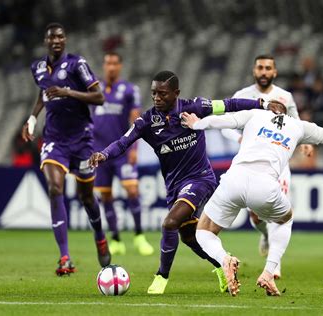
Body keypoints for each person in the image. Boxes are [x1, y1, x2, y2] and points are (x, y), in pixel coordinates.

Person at [89, 70, 280, 294]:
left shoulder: (195, 107)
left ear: (176, 93)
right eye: (154, 94)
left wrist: (261, 103)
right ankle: (223, 265)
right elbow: (123, 142)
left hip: (200, 179)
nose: (157, 98)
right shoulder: (147, 121)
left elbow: (229, 104)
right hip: (174, 187)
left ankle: (161, 276)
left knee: (169, 223)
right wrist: (103, 154)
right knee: (189, 236)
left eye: (162, 94)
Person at [181, 103, 323, 296]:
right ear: (286, 112)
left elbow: (223, 120)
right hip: (264, 186)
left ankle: (224, 259)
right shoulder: (298, 126)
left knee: (204, 231)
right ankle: (269, 272)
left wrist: (197, 123)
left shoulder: (256, 114)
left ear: (270, 109)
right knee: (285, 219)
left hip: (234, 179)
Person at [21, 23, 110, 276]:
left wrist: (67, 92)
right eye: (52, 37)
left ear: (65, 40)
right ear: (46, 41)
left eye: (60, 36)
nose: (56, 40)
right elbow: (43, 95)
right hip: (54, 140)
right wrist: (32, 118)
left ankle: (100, 236)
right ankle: (65, 257)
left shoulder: (76, 65)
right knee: (54, 188)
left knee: (86, 197)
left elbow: (99, 97)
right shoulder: (37, 68)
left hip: (82, 140)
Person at [221, 54, 313, 279]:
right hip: (250, 164)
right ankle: (265, 235)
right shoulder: (241, 96)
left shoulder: (285, 97)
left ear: (275, 72)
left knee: (277, 211)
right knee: (256, 216)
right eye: (260, 67)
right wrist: (239, 139)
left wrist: (306, 143)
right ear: (254, 71)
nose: (263, 71)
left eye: (268, 68)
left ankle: (274, 265)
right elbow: (225, 126)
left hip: (278, 164)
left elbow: (296, 125)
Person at [92, 52, 154, 256]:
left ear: (120, 66)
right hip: (99, 153)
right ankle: (116, 238)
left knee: (133, 191)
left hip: (121, 151)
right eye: (107, 63)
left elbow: (135, 120)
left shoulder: (129, 90)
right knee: (106, 195)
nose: (110, 67)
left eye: (114, 63)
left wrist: (134, 148)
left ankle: (139, 236)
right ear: (104, 65)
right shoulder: (94, 89)